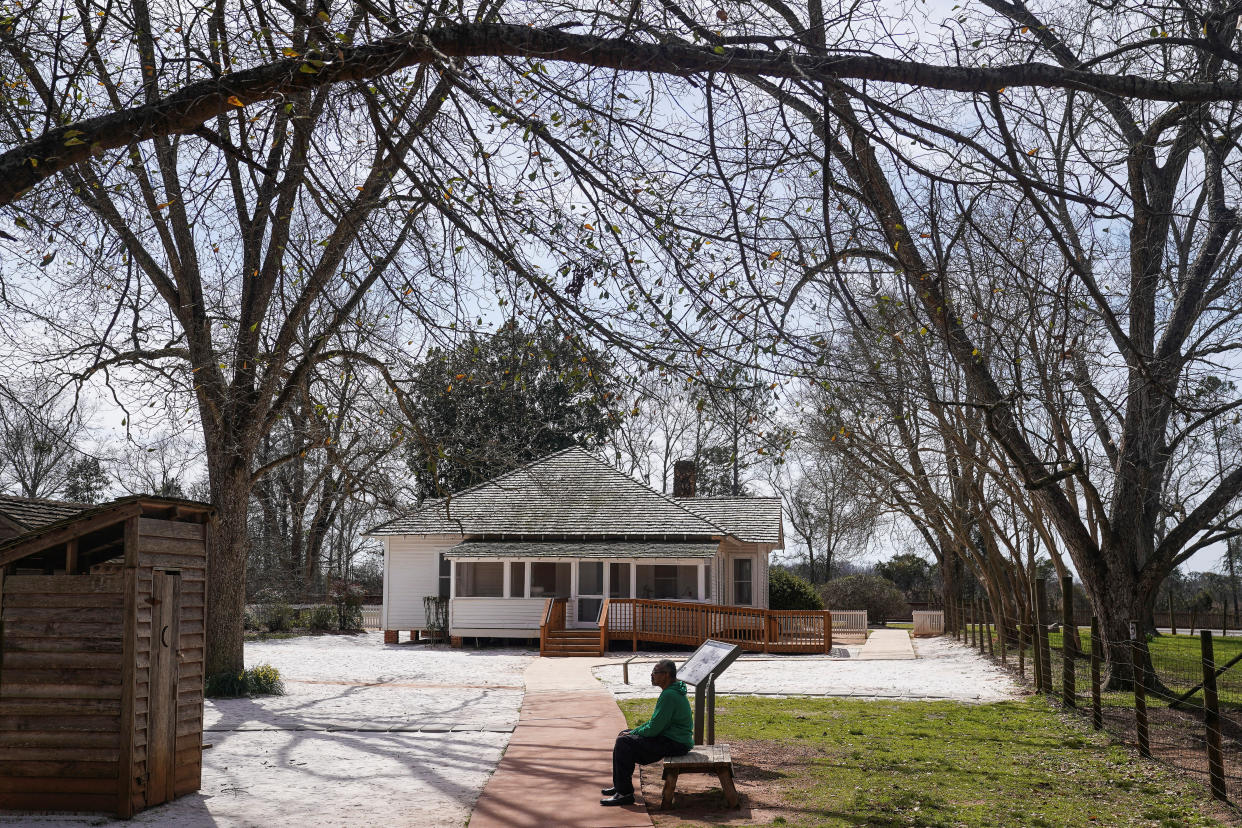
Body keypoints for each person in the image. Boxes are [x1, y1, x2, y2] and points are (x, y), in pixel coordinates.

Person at [600, 659, 693, 806]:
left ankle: (624, 793)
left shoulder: (670, 695)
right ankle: (620, 786)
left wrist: (634, 733)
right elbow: (655, 723)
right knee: (624, 734)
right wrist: (633, 732)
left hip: (676, 743)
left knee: (624, 742)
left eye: (655, 672)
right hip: (672, 738)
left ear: (667, 675)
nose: (652, 675)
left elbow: (654, 728)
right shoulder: (671, 691)